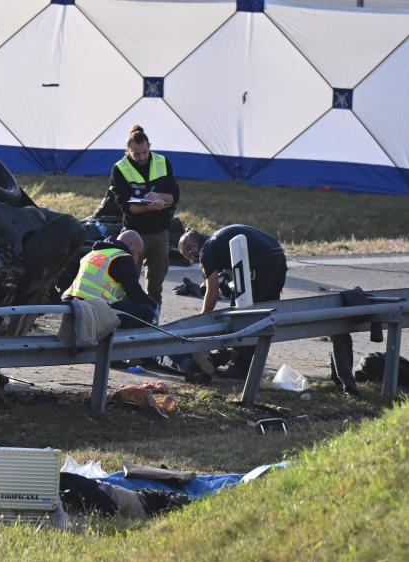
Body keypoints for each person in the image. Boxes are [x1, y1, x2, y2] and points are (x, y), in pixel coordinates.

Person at [179, 224, 287, 377]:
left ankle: (240, 366)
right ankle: (239, 358)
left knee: (242, 314)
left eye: (189, 256)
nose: (193, 260)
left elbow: (213, 291)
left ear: (193, 247)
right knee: (263, 313)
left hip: (260, 261)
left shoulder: (206, 250)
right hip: (278, 256)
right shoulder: (217, 239)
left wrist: (202, 319)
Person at [109, 124, 180, 306]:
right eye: (136, 154)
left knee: (156, 282)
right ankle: (127, 315)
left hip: (159, 232)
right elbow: (125, 206)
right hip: (134, 232)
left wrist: (159, 197)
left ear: (149, 147)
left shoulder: (162, 162)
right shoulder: (120, 169)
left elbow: (174, 195)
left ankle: (153, 313)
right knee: (126, 280)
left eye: (144, 153)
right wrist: (150, 207)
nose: (141, 157)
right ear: (128, 151)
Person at [62, 230, 157, 329]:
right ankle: (122, 339)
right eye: (138, 253)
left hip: (73, 301)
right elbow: (135, 292)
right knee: (146, 311)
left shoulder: (93, 253)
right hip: (96, 306)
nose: (137, 259)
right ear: (131, 245)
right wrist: (153, 305)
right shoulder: (123, 257)